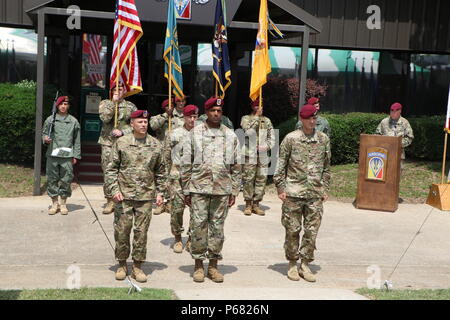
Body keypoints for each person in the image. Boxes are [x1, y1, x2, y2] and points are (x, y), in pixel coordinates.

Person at [181, 97, 241, 283]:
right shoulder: (195, 133)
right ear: (206, 112)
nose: (216, 113)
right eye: (213, 110)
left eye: (219, 111)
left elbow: (237, 165)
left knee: (217, 228)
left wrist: (234, 191)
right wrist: (186, 190)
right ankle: (198, 265)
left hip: (222, 189)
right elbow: (186, 162)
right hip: (199, 188)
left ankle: (213, 266)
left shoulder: (230, 135)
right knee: (198, 226)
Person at [105, 110, 166, 283]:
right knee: (122, 231)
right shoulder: (122, 143)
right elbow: (111, 169)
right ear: (131, 124)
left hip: (146, 196)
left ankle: (138, 266)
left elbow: (160, 170)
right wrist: (113, 190)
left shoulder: (155, 144)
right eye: (139, 122)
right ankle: (122, 264)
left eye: (145, 122)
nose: (143, 124)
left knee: (141, 233)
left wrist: (161, 192)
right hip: (123, 195)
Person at [274, 104, 331, 282]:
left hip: (314, 193)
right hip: (293, 192)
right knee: (292, 229)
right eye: (310, 118)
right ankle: (292, 263)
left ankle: (305, 264)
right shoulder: (291, 139)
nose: (314, 121)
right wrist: (280, 188)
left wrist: (325, 188)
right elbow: (281, 164)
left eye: (315, 118)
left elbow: (327, 167)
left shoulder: (323, 139)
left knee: (311, 231)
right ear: (302, 119)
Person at [163, 104, 199, 253]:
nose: (192, 119)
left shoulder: (203, 134)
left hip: (196, 177)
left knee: (196, 210)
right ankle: (177, 237)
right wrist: (165, 179)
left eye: (195, 117)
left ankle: (191, 238)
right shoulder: (174, 134)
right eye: (189, 116)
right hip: (177, 176)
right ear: (183, 117)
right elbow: (165, 157)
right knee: (177, 209)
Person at [98, 82, 137, 215]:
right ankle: (110, 200)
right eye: (115, 89)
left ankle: (123, 198)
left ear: (124, 91)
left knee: (124, 171)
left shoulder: (130, 106)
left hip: (124, 143)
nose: (118, 92)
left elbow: (135, 124)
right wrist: (113, 103)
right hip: (108, 143)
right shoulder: (105, 103)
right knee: (108, 171)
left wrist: (123, 132)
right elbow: (105, 118)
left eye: (120, 89)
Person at [42, 96, 81, 215]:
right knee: (52, 179)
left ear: (68, 106)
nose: (63, 106)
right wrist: (45, 139)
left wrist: (76, 155)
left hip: (67, 156)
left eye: (66, 104)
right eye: (61, 104)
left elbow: (77, 140)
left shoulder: (73, 121)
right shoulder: (50, 120)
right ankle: (54, 203)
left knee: (66, 179)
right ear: (57, 106)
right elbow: (44, 133)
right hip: (53, 154)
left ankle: (63, 203)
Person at [240, 98, 275, 216]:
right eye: (256, 105)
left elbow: (272, 137)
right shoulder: (246, 118)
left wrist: (267, 146)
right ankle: (248, 204)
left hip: (263, 155)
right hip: (250, 154)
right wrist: (256, 117)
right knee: (249, 179)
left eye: (260, 105)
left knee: (261, 179)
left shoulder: (267, 121)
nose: (259, 108)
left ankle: (256, 204)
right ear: (252, 106)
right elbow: (248, 131)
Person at [150, 97, 185, 215]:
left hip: (176, 152)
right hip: (162, 151)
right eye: (167, 106)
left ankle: (170, 202)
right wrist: (166, 115)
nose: (180, 104)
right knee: (161, 176)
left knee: (174, 177)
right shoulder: (160, 117)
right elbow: (153, 126)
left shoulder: (183, 118)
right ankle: (160, 203)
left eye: (182, 101)